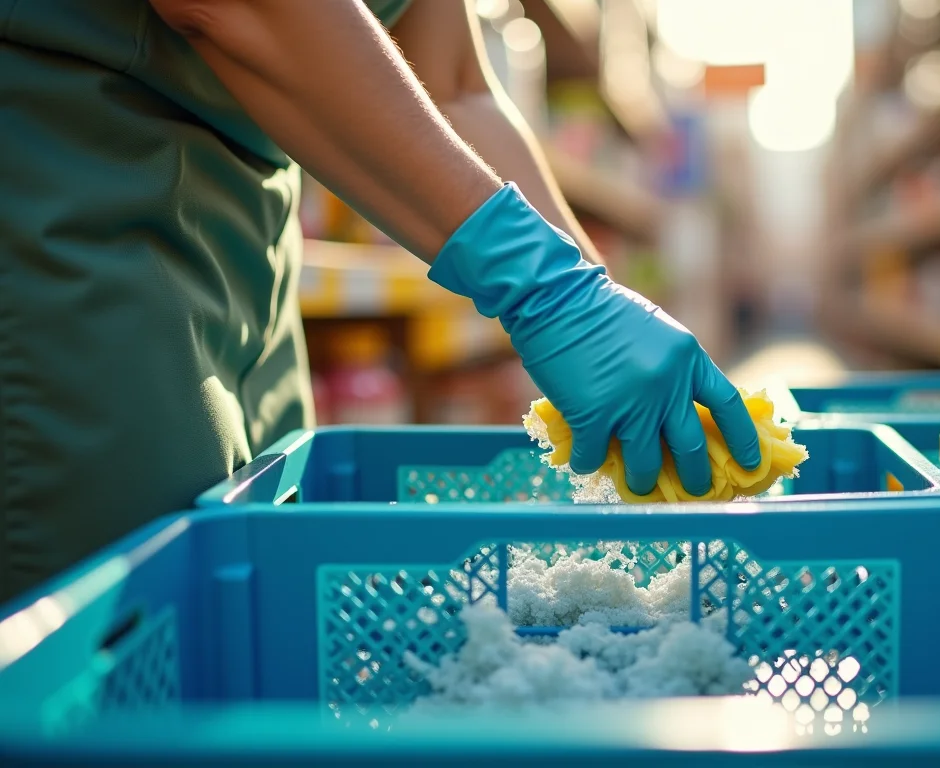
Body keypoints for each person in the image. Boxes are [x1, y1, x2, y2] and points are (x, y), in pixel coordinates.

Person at [0, 0, 761, 602]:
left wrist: (591, 292)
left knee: (247, 605)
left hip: (246, 261)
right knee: (123, 652)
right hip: (66, 237)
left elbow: (450, 87)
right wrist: (542, 285)